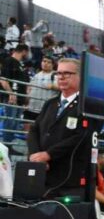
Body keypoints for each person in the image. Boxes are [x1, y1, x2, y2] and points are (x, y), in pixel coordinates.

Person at [26, 58, 94, 197]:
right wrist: (36, 156)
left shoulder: (87, 106)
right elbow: (34, 130)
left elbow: (82, 136)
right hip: (42, 176)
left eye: (67, 73)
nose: (61, 77)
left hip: (68, 180)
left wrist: (49, 154)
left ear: (80, 76)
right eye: (58, 73)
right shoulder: (50, 103)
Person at [1, 43, 30, 145]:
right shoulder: (9, 61)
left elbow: (25, 81)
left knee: (15, 124)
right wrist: (11, 94)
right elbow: (3, 80)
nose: (28, 55)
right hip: (12, 98)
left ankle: (9, 145)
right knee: (10, 122)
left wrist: (26, 96)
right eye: (28, 53)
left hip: (20, 98)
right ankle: (6, 146)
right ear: (24, 51)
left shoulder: (21, 64)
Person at [24, 56, 57, 123]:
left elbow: (61, 87)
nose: (45, 63)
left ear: (53, 65)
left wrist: (52, 86)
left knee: (42, 128)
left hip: (45, 109)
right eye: (44, 61)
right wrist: (26, 102)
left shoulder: (55, 75)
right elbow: (30, 89)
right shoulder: (36, 75)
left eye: (49, 62)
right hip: (31, 107)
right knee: (27, 127)